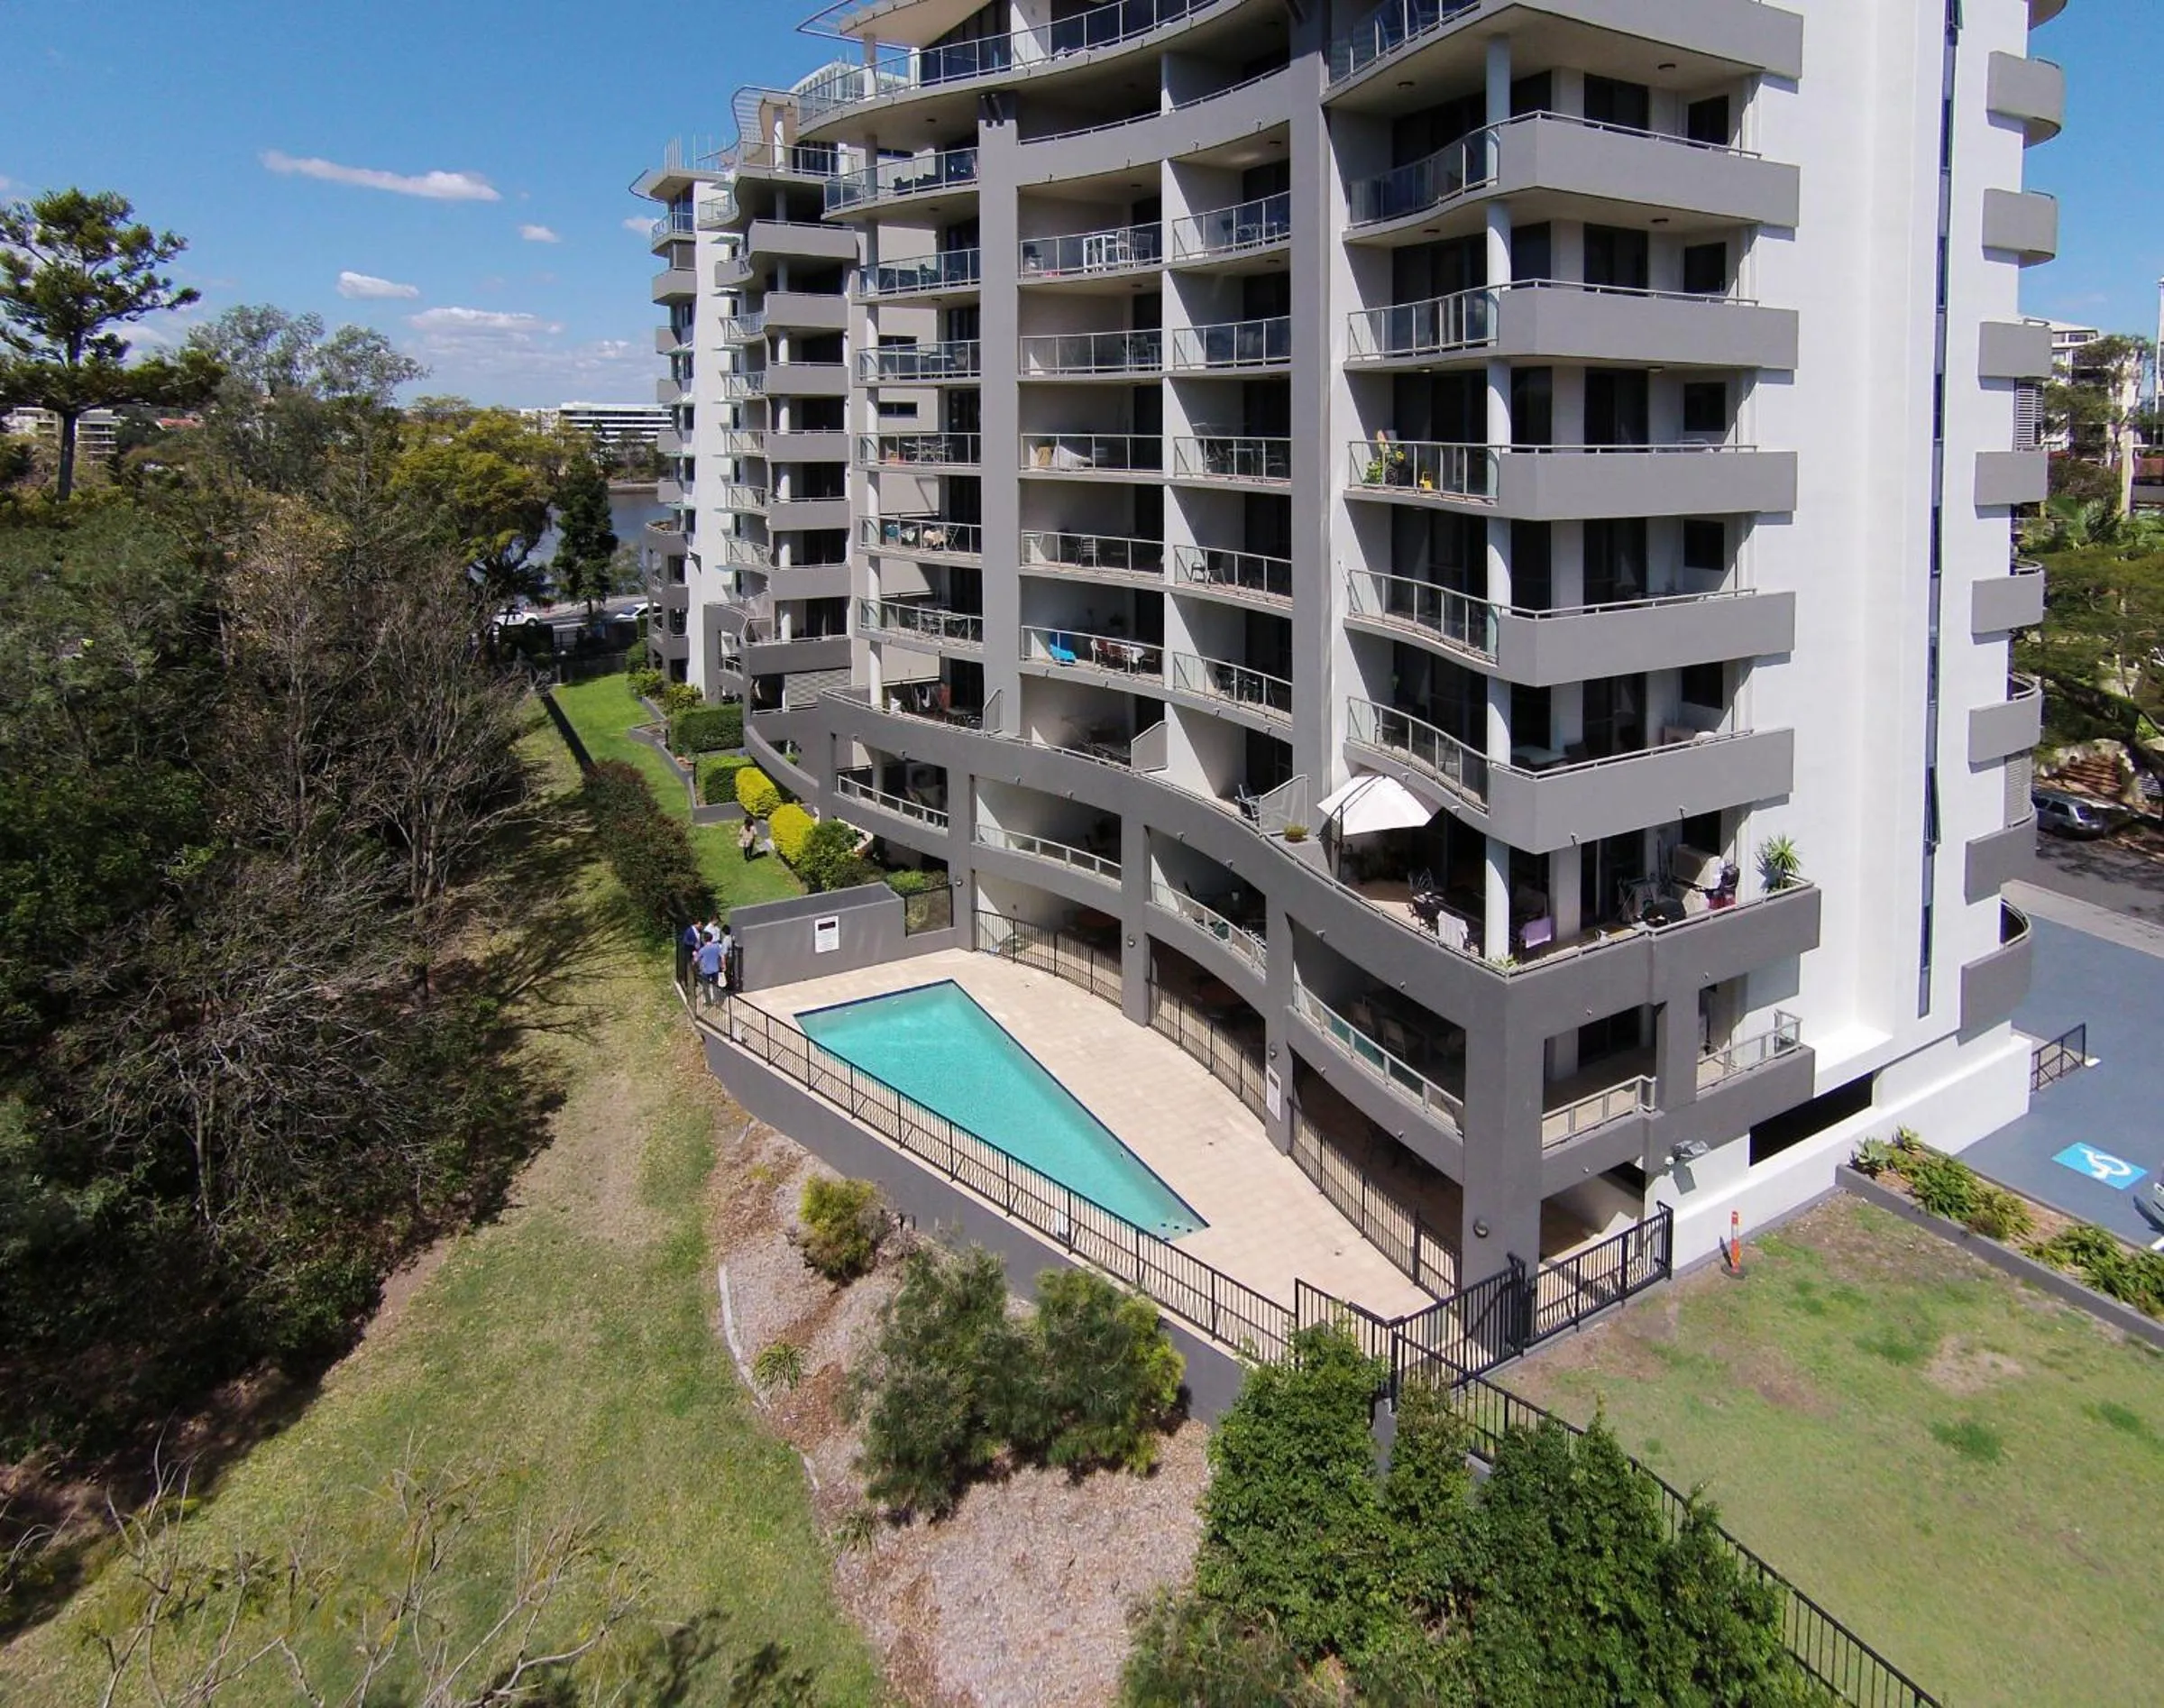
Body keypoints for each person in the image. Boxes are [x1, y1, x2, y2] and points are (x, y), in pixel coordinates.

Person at [695, 932, 723, 1006]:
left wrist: (695, 954)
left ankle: (708, 1002)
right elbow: (722, 956)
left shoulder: (702, 950)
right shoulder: (717, 947)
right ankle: (717, 1001)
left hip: (706, 971)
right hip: (715, 969)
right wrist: (723, 965)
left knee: (706, 987)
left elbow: (696, 959)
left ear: (704, 940)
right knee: (715, 985)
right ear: (712, 938)